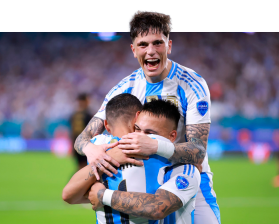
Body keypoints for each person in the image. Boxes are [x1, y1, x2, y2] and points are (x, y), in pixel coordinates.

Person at [74, 9, 220, 224]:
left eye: (157, 43)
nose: (151, 51)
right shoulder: (124, 89)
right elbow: (82, 139)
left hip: (187, 181)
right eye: (143, 45)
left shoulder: (191, 84)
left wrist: (154, 146)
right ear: (133, 50)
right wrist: (91, 150)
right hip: (143, 180)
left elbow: (198, 152)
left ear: (169, 45)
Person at [63, 94, 200, 223]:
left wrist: (103, 195)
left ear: (171, 136)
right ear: (136, 119)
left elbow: (157, 207)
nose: (139, 138)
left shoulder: (184, 169)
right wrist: (108, 157)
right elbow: (68, 195)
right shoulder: (105, 151)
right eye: (137, 129)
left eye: (150, 134)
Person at [70, 93, 93, 170]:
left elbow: (72, 131)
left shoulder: (74, 115)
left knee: (80, 166)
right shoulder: (88, 115)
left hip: (76, 143)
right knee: (86, 167)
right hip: (85, 143)